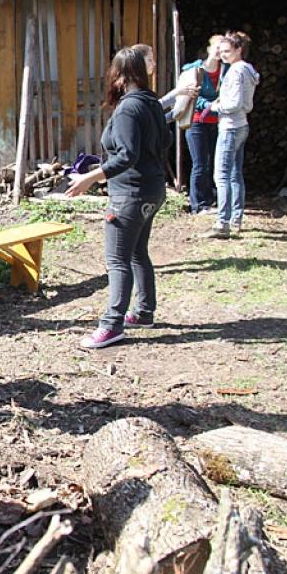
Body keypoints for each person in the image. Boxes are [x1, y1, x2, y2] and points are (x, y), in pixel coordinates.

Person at [67, 46, 172, 348]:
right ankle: (143, 312)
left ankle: (112, 325)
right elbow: (162, 142)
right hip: (153, 191)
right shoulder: (151, 102)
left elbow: (126, 155)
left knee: (117, 261)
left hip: (130, 196)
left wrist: (90, 177)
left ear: (121, 75)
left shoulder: (128, 108)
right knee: (138, 253)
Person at [206, 30, 259, 238]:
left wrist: (215, 106)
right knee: (235, 174)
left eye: (227, 51)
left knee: (222, 175)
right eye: (221, 51)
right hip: (241, 125)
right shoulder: (247, 70)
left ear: (239, 49)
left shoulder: (236, 71)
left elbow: (235, 103)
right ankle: (236, 219)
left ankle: (223, 223)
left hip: (230, 126)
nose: (224, 55)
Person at [181, 35, 228, 215]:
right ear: (208, 49)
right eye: (216, 47)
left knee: (215, 162)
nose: (219, 52)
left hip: (218, 122)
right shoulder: (196, 69)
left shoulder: (227, 70)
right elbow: (190, 92)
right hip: (197, 121)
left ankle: (212, 200)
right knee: (200, 163)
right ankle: (198, 205)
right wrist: (208, 105)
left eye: (223, 48)